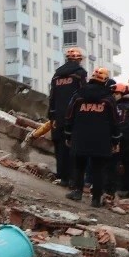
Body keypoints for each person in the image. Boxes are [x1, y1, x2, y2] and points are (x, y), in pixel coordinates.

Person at [64, 67, 120, 207]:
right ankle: (95, 199)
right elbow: (115, 122)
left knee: (79, 165)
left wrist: (68, 135)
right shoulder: (108, 99)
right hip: (101, 140)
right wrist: (115, 140)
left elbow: (69, 116)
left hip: (80, 137)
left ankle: (77, 192)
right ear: (105, 81)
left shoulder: (78, 96)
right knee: (98, 169)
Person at [47, 48, 87, 186]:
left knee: (60, 147)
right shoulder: (79, 74)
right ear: (78, 60)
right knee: (73, 147)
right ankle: (73, 179)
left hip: (58, 116)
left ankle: (62, 176)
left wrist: (52, 116)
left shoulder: (57, 75)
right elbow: (83, 94)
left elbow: (52, 97)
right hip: (74, 116)